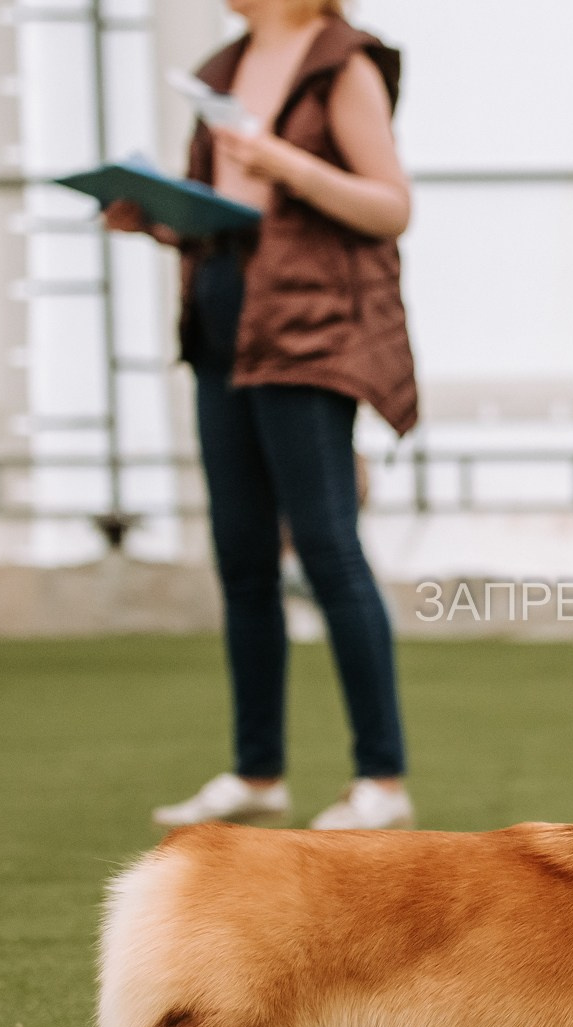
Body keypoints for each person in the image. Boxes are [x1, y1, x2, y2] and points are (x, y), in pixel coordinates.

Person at [107, 0, 418, 831]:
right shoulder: (224, 65)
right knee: (241, 555)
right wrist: (161, 217)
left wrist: (285, 163)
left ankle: (381, 780)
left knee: (326, 545)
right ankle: (257, 772)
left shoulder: (342, 64)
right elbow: (229, 208)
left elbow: (390, 205)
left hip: (306, 326)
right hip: (222, 311)